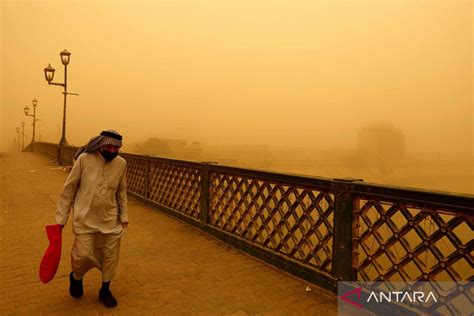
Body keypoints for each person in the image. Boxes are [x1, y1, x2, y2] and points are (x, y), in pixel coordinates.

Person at [56, 130, 128, 308]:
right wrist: (61, 219)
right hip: (84, 219)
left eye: (116, 148)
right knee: (82, 255)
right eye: (109, 146)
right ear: (100, 145)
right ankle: (76, 277)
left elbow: (121, 191)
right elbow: (69, 190)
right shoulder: (84, 160)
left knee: (110, 256)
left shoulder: (121, 163)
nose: (112, 151)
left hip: (110, 220)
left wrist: (124, 216)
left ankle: (105, 289)